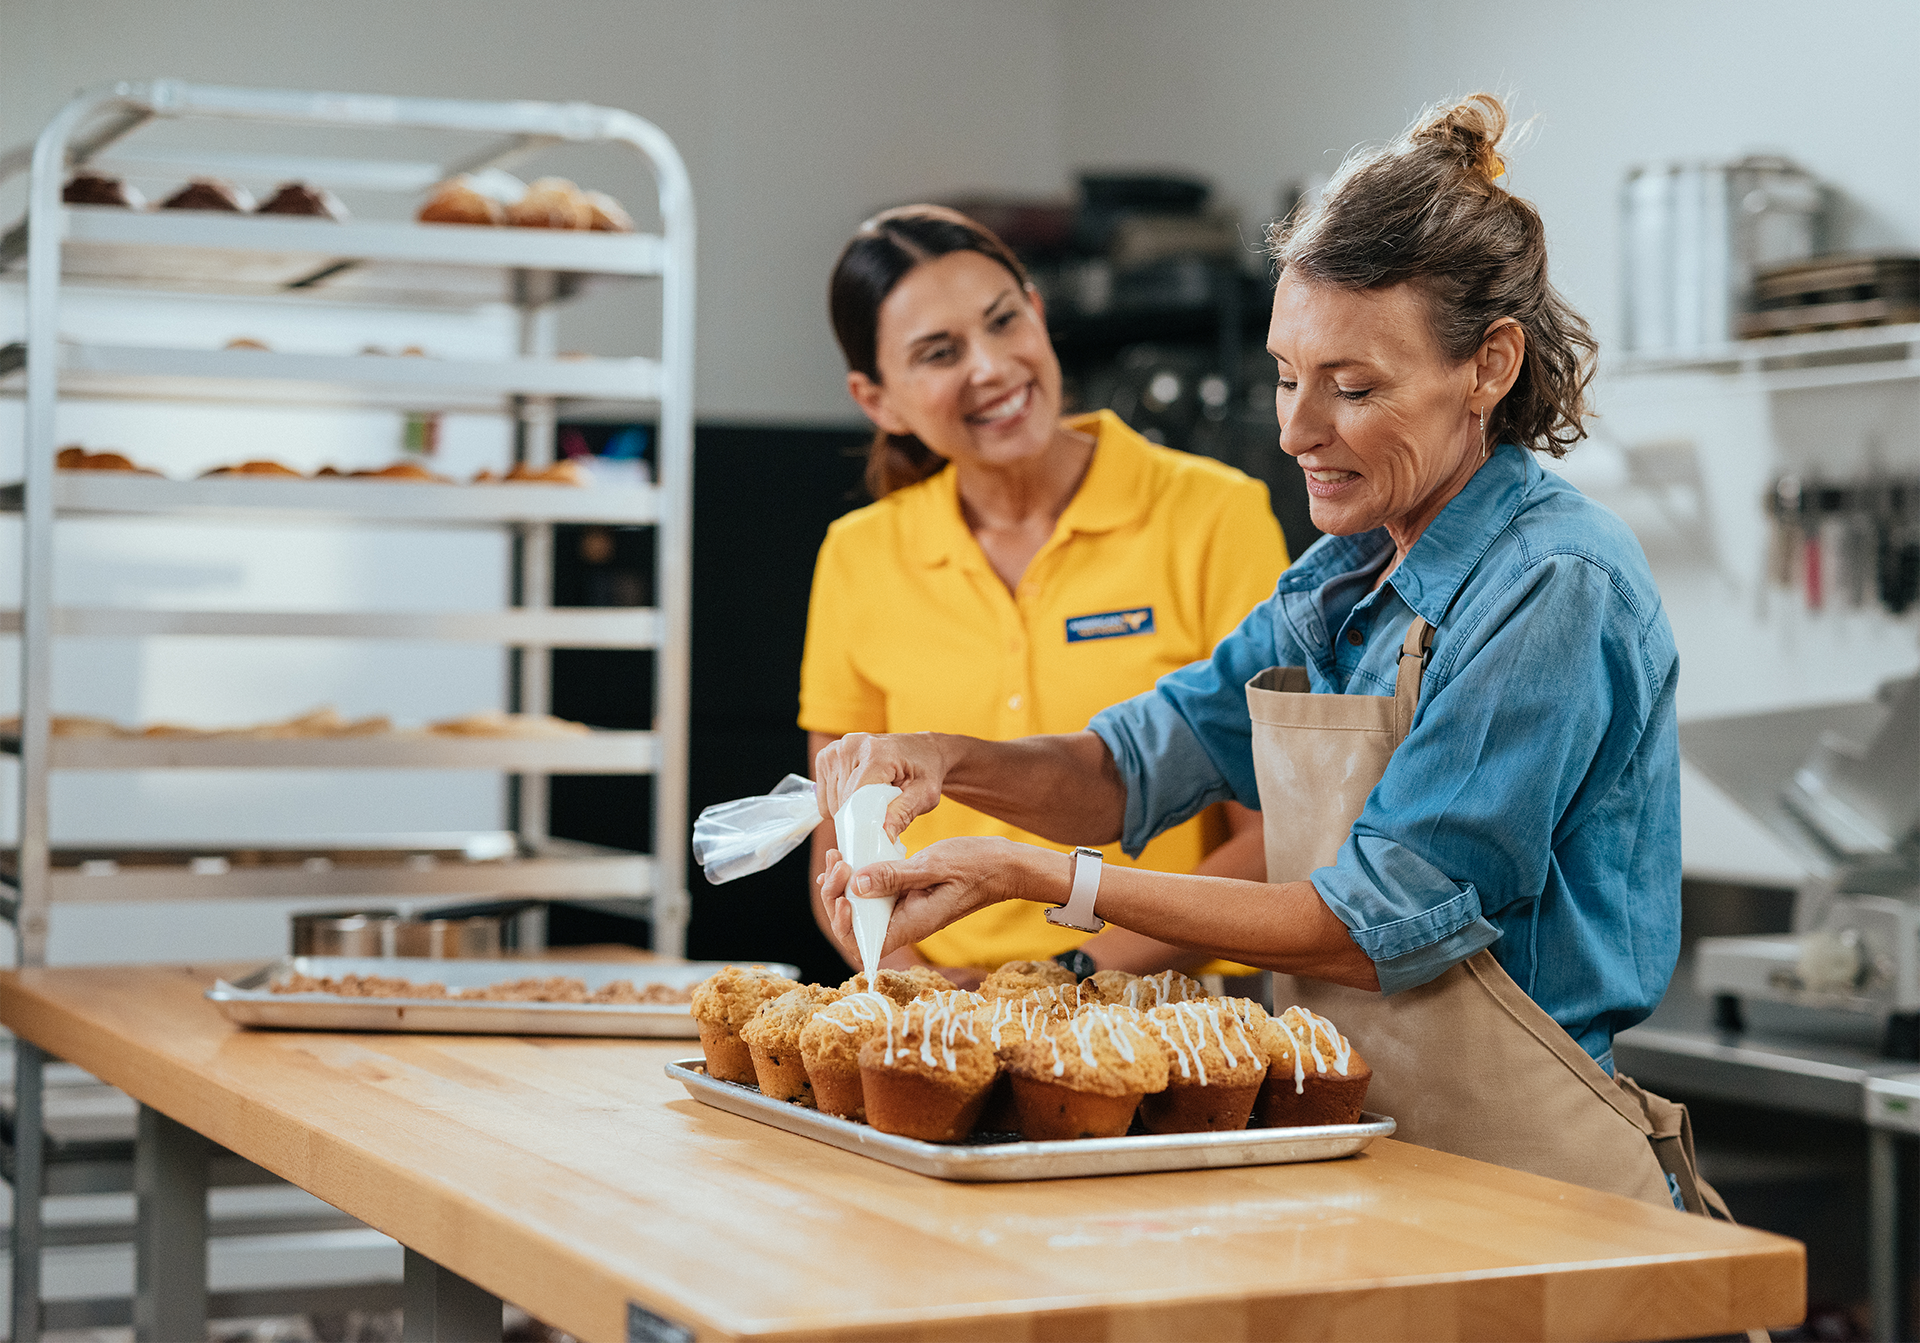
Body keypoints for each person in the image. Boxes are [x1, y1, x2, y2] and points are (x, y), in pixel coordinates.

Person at [812, 97, 1708, 1211]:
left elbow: (1373, 927)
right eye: (1288, 375)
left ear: (1490, 366)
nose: (1295, 429)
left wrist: (1043, 878)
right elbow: (1126, 768)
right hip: (1359, 1150)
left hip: (1531, 1183)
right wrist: (946, 759)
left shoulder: (1551, 586)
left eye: (1354, 386)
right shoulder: (1338, 582)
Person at [802, 205, 1288, 987]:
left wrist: (1069, 975)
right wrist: (921, 988)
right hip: (939, 1015)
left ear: (1037, 311)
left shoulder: (1213, 515)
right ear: (878, 399)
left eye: (1003, 321)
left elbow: (1275, 836)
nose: (991, 366)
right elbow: (840, 842)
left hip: (1171, 1009)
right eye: (938, 352)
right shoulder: (858, 554)